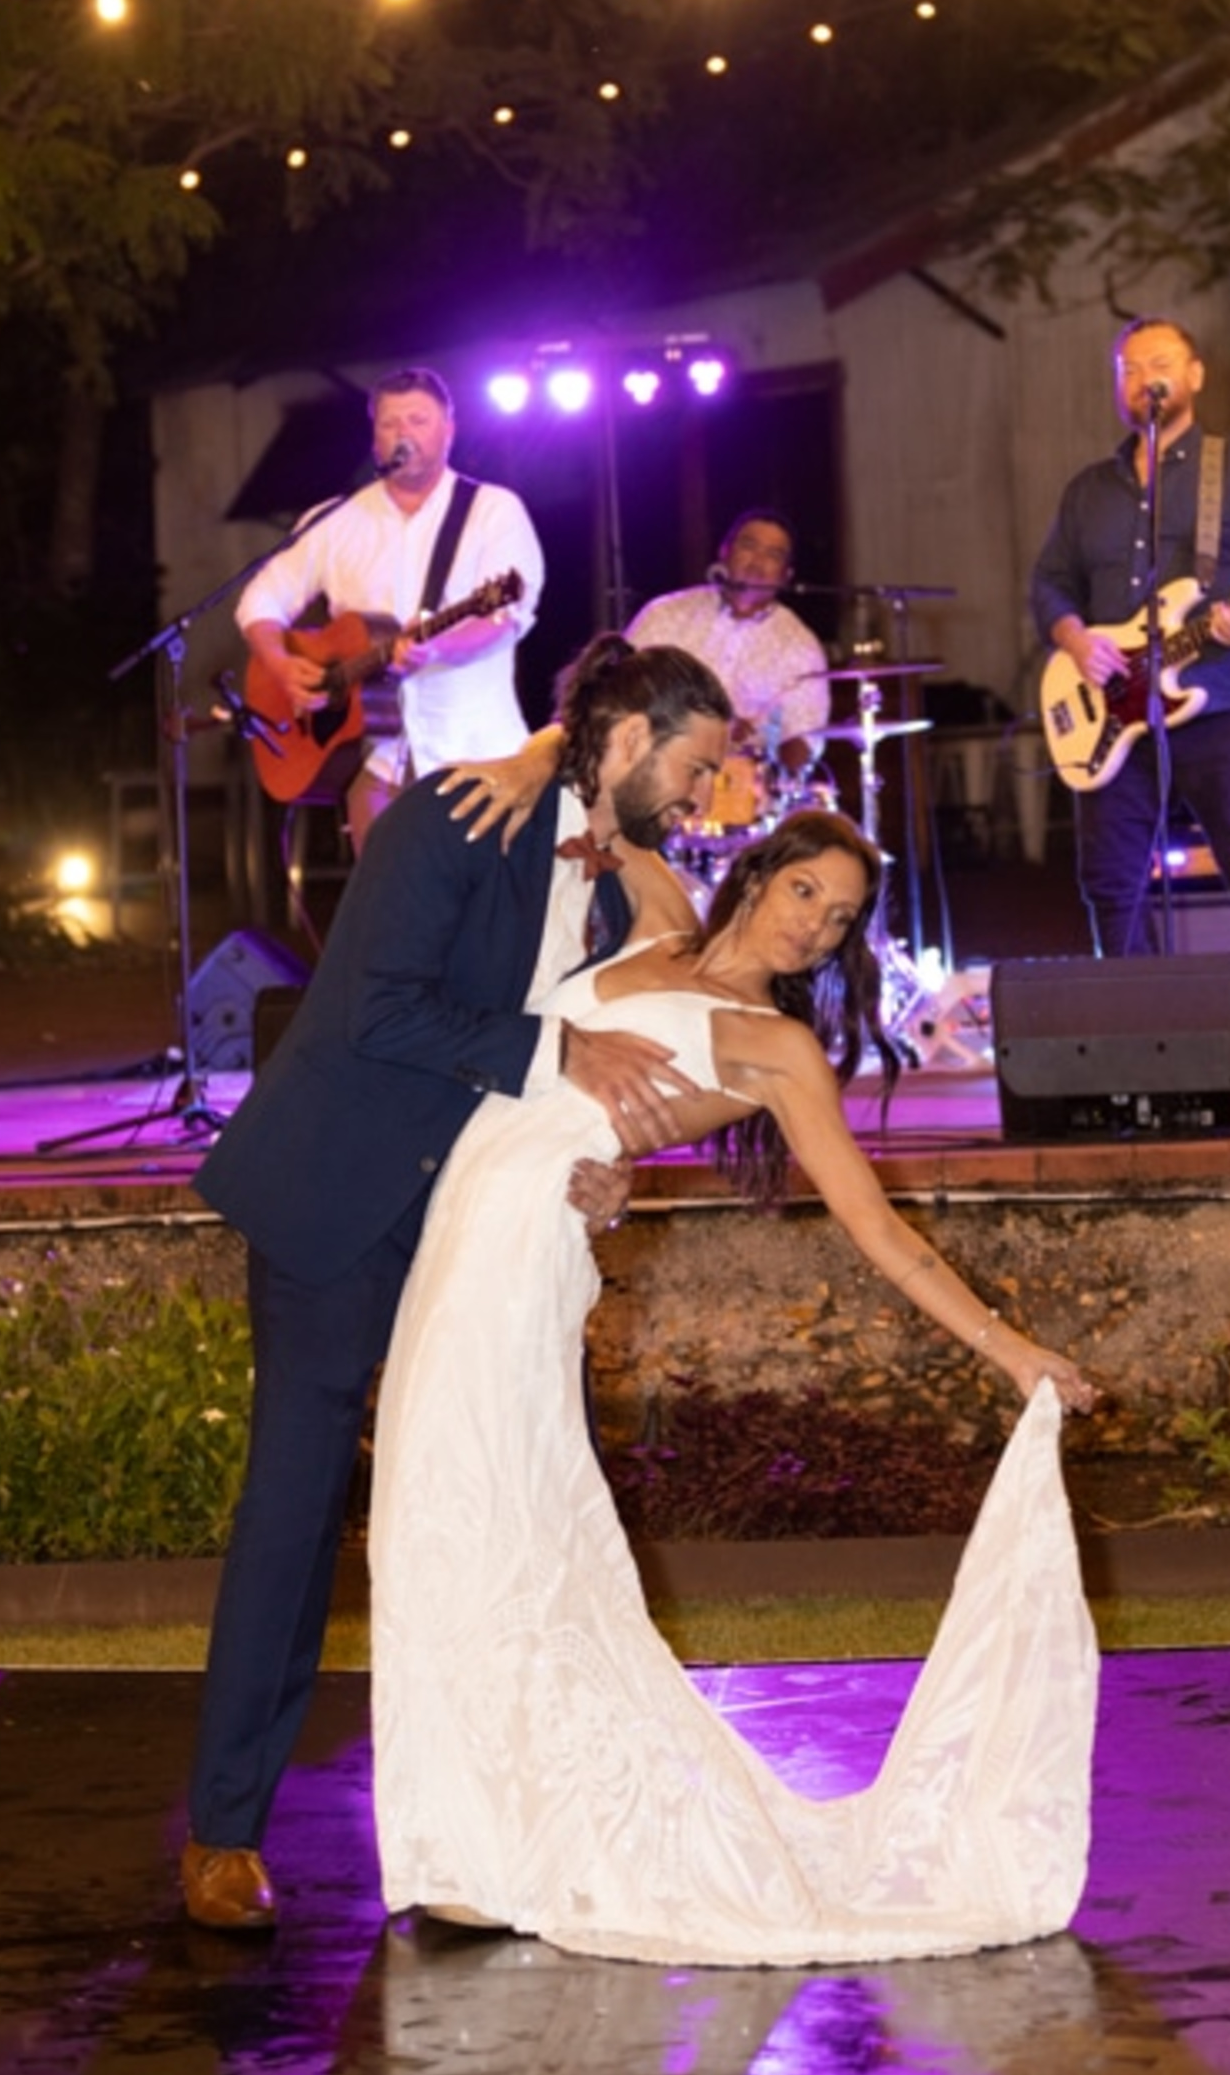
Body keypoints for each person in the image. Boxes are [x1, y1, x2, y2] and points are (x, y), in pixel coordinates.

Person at [370, 806, 1100, 1964]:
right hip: (458, 1218)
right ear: (757, 875)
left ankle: (480, 1845)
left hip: (519, 1253)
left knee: (475, 1517)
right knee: (433, 1521)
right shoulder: (655, 924)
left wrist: (1007, 1348)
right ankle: (480, 1825)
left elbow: (877, 1230)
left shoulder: (774, 1049)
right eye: (806, 891)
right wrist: (569, 810)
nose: (817, 925)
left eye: (843, 918)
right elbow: (603, 797)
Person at [179, 635, 736, 1931]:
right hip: (338, 1197)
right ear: (630, 736)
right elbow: (378, 1011)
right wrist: (559, 1049)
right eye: (695, 765)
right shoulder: (450, 815)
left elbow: (658, 985)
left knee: (513, 1498)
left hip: (480, 1223)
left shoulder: (614, 881)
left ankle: (496, 1824)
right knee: (296, 1508)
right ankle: (220, 1835)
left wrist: (606, 1173)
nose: (707, 796)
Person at [1030, 315, 1230, 1105]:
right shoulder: (1087, 490)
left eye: (1161, 363)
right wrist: (1076, 642)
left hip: (1225, 699)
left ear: (1196, 375)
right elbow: (1050, 586)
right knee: (1110, 882)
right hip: (1112, 717)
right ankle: (1139, 1053)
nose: (1145, 378)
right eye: (1130, 368)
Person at [235, 365, 545, 850]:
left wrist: (436, 648)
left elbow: (503, 620)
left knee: (485, 912)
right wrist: (281, 665)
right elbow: (259, 600)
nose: (404, 433)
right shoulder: (335, 519)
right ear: (374, 437)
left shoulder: (493, 510)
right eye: (390, 423)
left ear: (449, 430)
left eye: (418, 420)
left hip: (479, 756)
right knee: (390, 919)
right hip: (378, 765)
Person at [627, 506, 832, 805]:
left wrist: (775, 784)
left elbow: (802, 739)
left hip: (741, 797)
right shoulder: (666, 615)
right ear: (724, 552)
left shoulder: (799, 646)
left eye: (773, 554)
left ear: (787, 575)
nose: (758, 561)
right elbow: (622, 691)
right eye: (749, 546)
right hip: (653, 781)